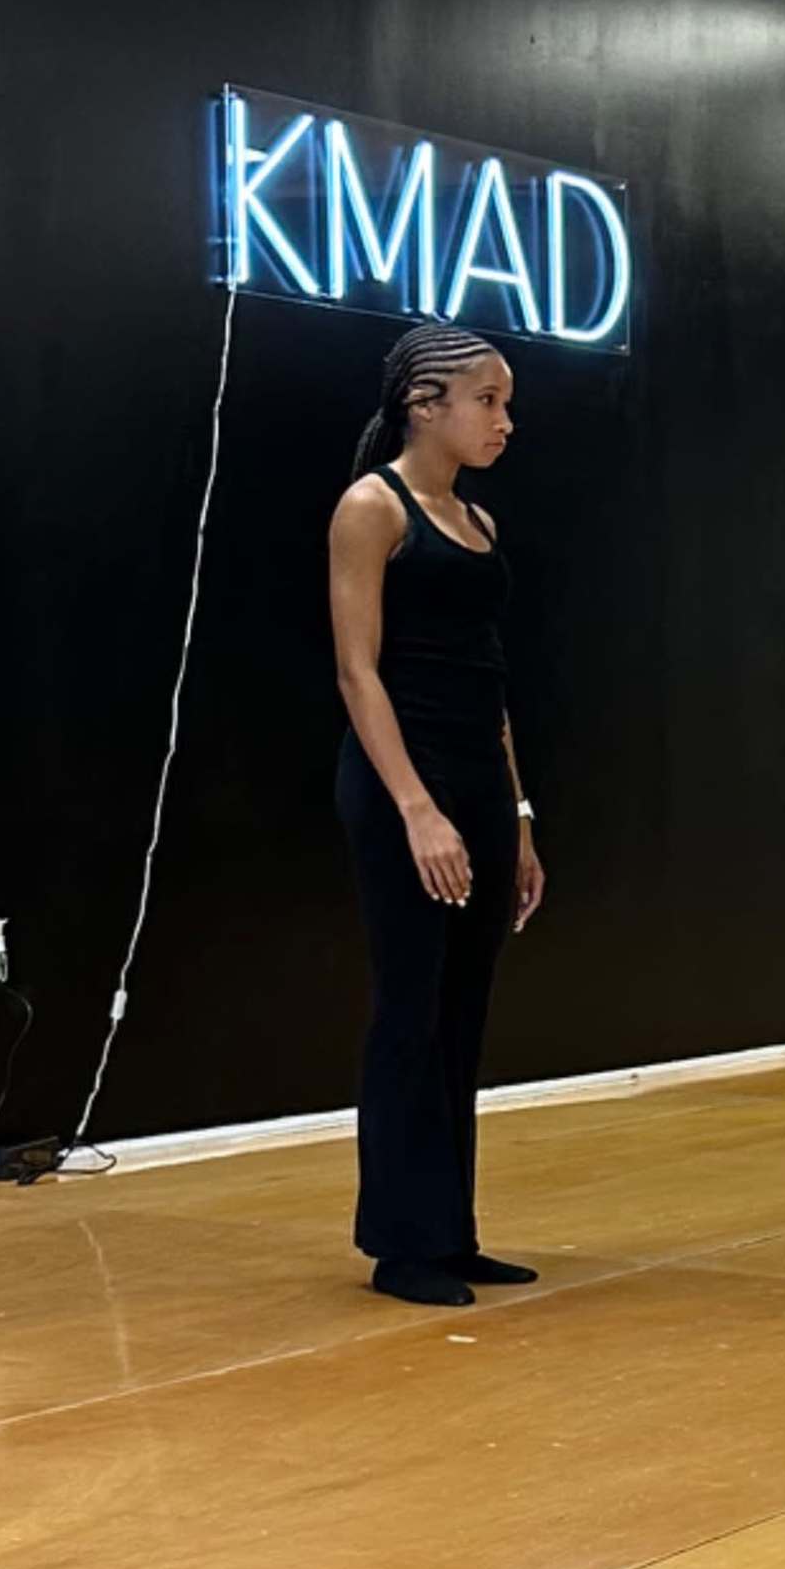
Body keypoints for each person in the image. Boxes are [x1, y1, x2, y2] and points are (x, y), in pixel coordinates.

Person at [326, 318, 545, 1304]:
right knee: (410, 1006)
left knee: (464, 1010)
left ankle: (450, 1230)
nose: (505, 419)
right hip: (399, 781)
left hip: (478, 783)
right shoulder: (373, 508)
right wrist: (417, 809)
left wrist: (520, 814)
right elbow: (357, 671)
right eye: (489, 400)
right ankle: (400, 1241)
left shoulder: (482, 525)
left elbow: (491, 683)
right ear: (428, 404)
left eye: (505, 400)